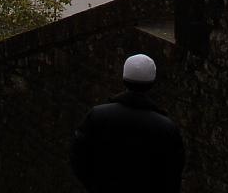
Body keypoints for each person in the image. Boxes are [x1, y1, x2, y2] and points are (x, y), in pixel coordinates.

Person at [70, 54, 185, 192]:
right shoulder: (166, 127)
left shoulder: (98, 115)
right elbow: (173, 173)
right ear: (152, 83)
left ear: (124, 79)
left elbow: (78, 156)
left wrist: (94, 185)